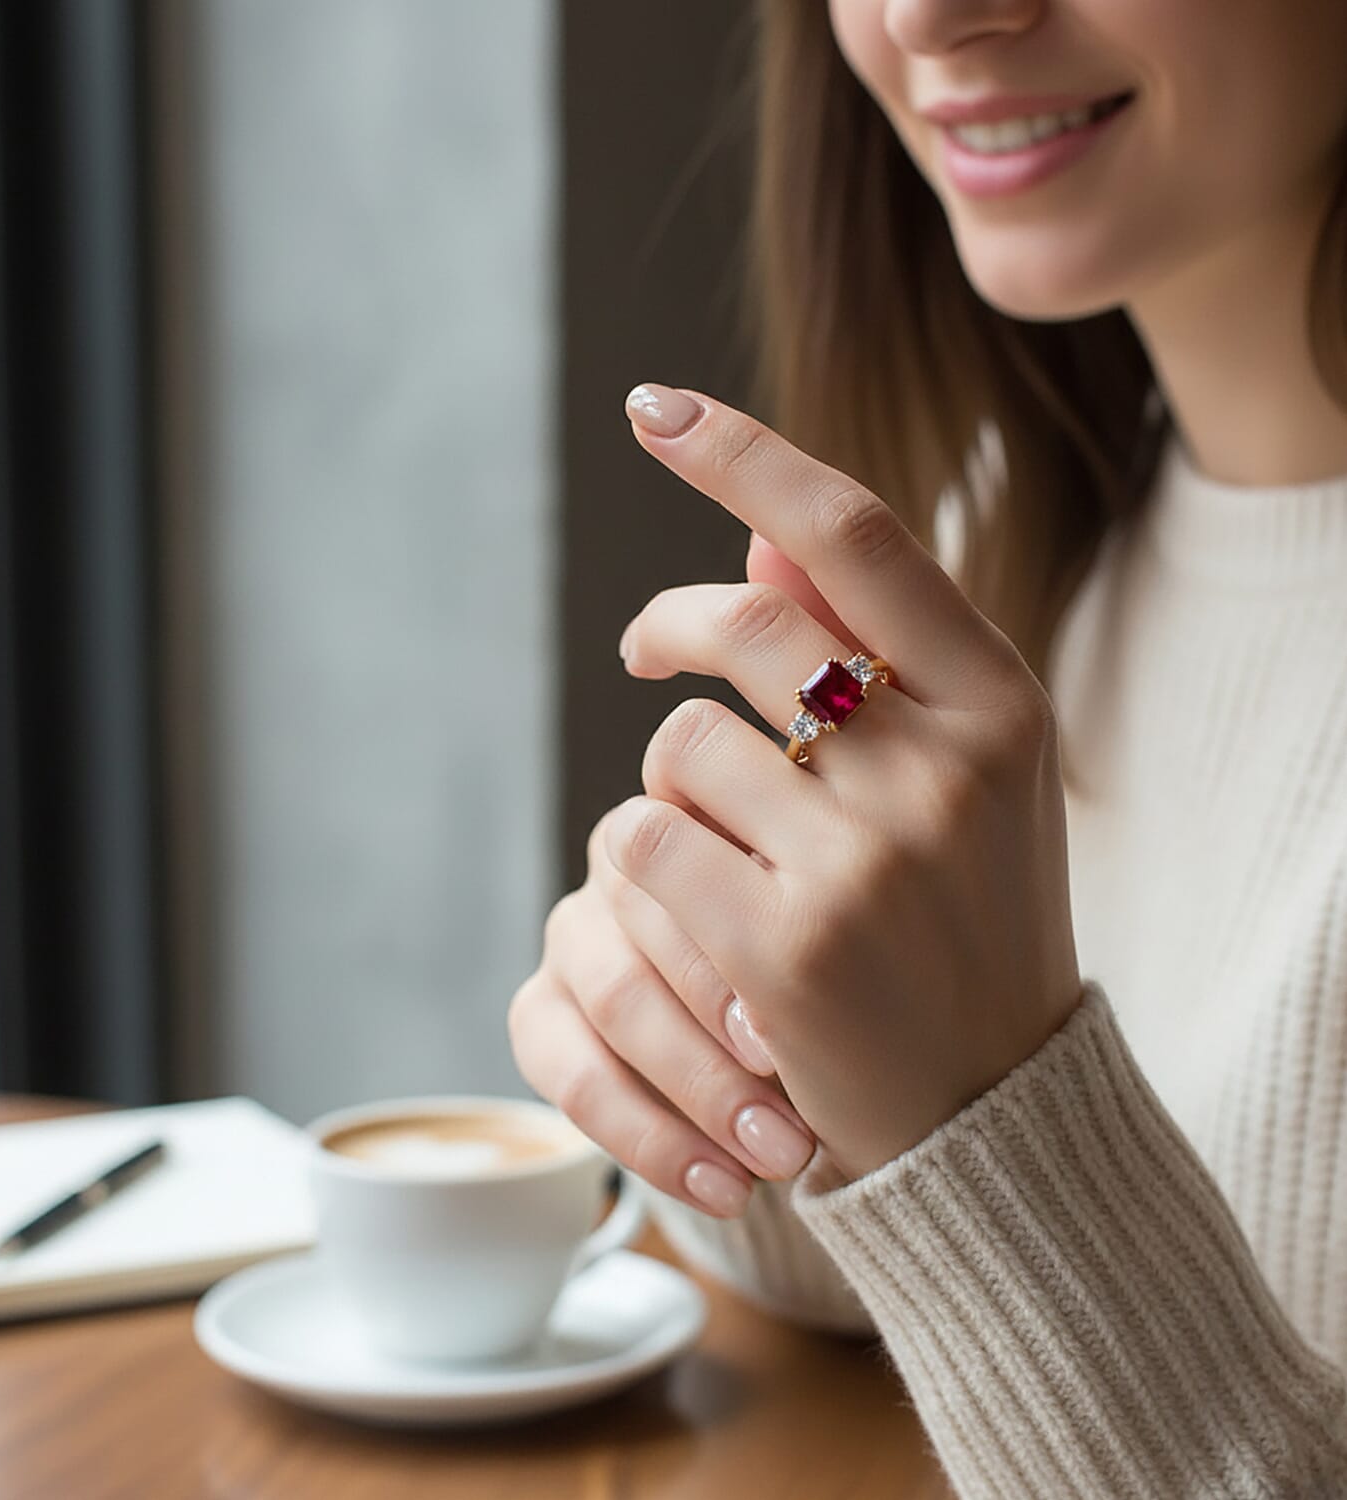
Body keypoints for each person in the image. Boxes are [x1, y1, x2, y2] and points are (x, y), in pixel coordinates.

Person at [508, 0, 1347, 1493]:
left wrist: (989, 1117)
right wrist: (744, 1055)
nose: (926, 14)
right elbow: (869, 1287)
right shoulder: (1014, 533)